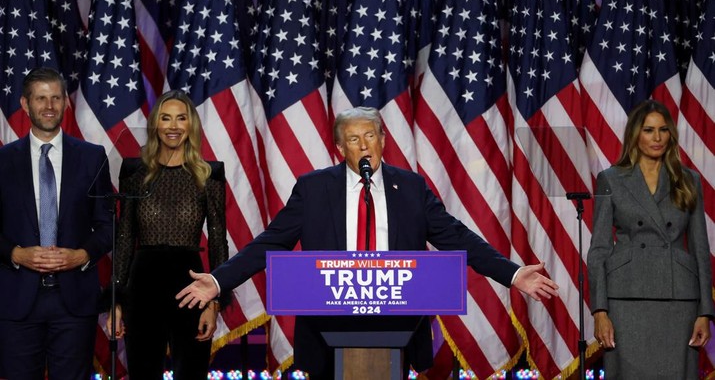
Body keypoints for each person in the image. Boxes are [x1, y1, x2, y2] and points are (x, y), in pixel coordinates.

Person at [176, 106, 559, 378]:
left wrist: (511, 274)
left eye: (370, 135)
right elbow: (271, 242)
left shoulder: (410, 187)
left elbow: (456, 236)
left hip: (397, 324)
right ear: (340, 149)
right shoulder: (313, 189)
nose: (364, 145)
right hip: (328, 326)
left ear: (383, 140)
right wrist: (219, 280)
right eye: (353, 139)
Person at [0, 67, 113, 379]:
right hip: (16, 300)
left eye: (55, 98)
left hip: (74, 301)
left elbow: (108, 225)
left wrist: (83, 255)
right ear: (25, 104)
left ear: (65, 102)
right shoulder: (3, 161)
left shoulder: (92, 157)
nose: (48, 106)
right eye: (40, 98)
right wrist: (15, 254)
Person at [587, 99, 713, 378]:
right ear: (635, 134)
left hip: (678, 300)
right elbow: (598, 249)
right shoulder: (611, 179)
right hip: (625, 299)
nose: (657, 138)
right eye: (648, 130)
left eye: (663, 130)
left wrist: (705, 311)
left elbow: (700, 248)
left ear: (671, 134)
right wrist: (600, 310)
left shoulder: (689, 180)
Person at [107, 90, 228, 379]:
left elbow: (218, 240)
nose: (173, 126)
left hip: (192, 286)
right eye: (166, 118)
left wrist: (214, 304)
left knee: (191, 372)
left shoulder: (208, 174)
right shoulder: (135, 172)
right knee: (143, 372)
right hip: (143, 285)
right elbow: (124, 238)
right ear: (155, 125)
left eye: (181, 118)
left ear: (191, 125)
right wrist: (116, 302)